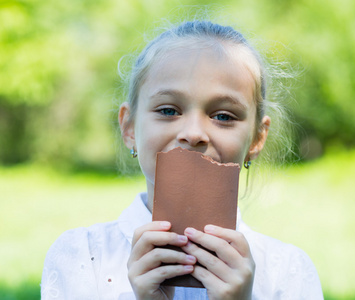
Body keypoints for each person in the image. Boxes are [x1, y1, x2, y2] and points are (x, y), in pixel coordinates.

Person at [41, 20, 323, 300]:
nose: (193, 134)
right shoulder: (81, 257)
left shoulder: (288, 273)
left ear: (257, 138)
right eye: (167, 110)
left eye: (223, 116)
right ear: (129, 128)